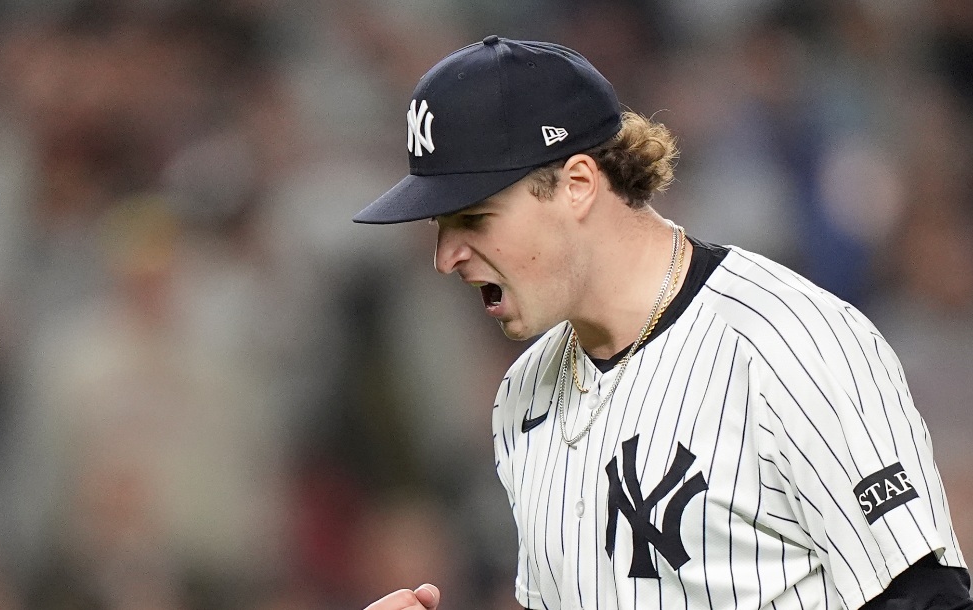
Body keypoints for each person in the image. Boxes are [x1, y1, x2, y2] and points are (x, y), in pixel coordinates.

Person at [352, 36, 973, 610]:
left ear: (575, 184)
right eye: (439, 225)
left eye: (473, 218)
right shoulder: (521, 397)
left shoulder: (791, 344)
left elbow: (926, 598)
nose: (445, 257)